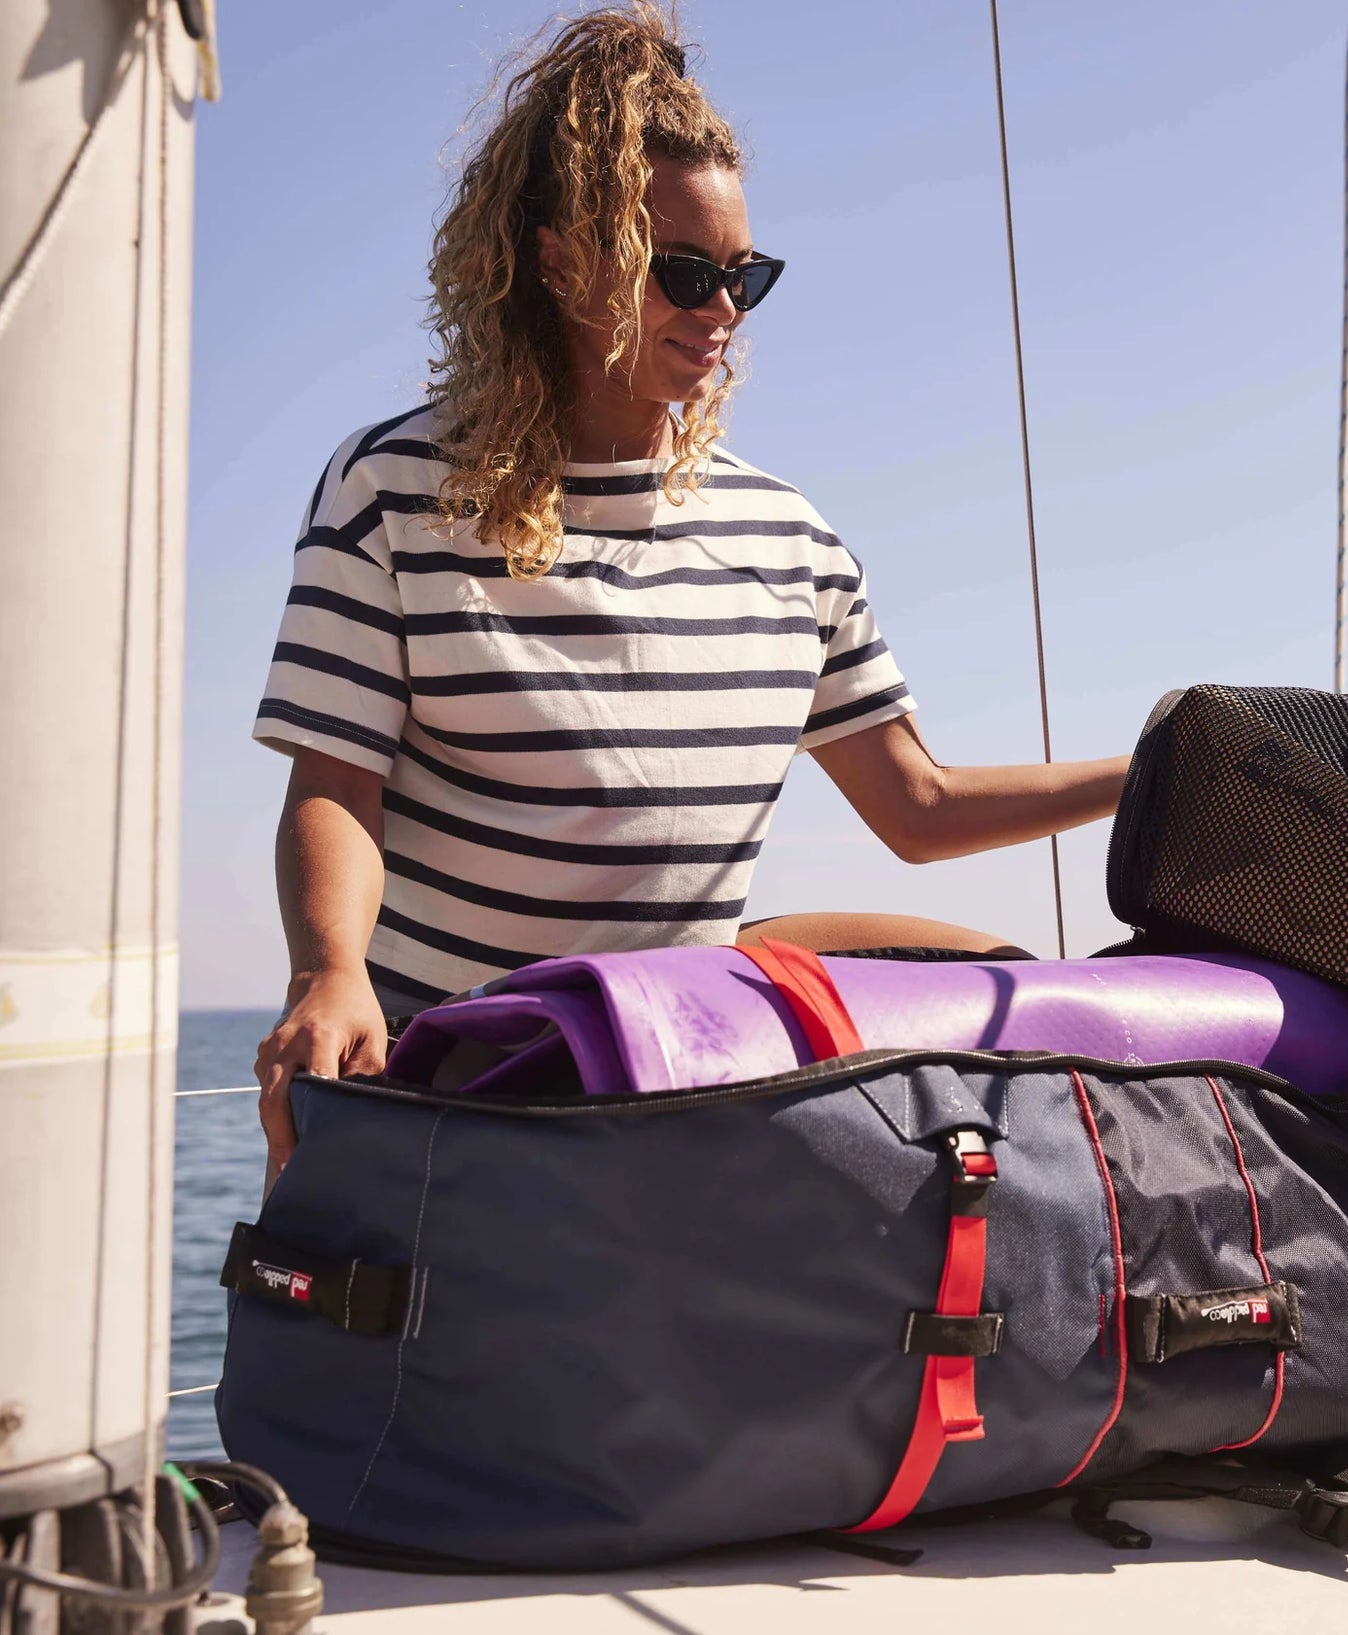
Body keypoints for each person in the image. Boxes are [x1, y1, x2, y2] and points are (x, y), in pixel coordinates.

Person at [250, 5, 1127, 1176]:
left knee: (1021, 981)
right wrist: (328, 971)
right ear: (559, 260)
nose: (721, 312)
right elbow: (335, 782)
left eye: (744, 278)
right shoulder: (398, 491)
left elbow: (918, 807)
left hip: (666, 1101)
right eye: (684, 273)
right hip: (446, 1097)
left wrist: (1152, 772)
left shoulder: (788, 539)